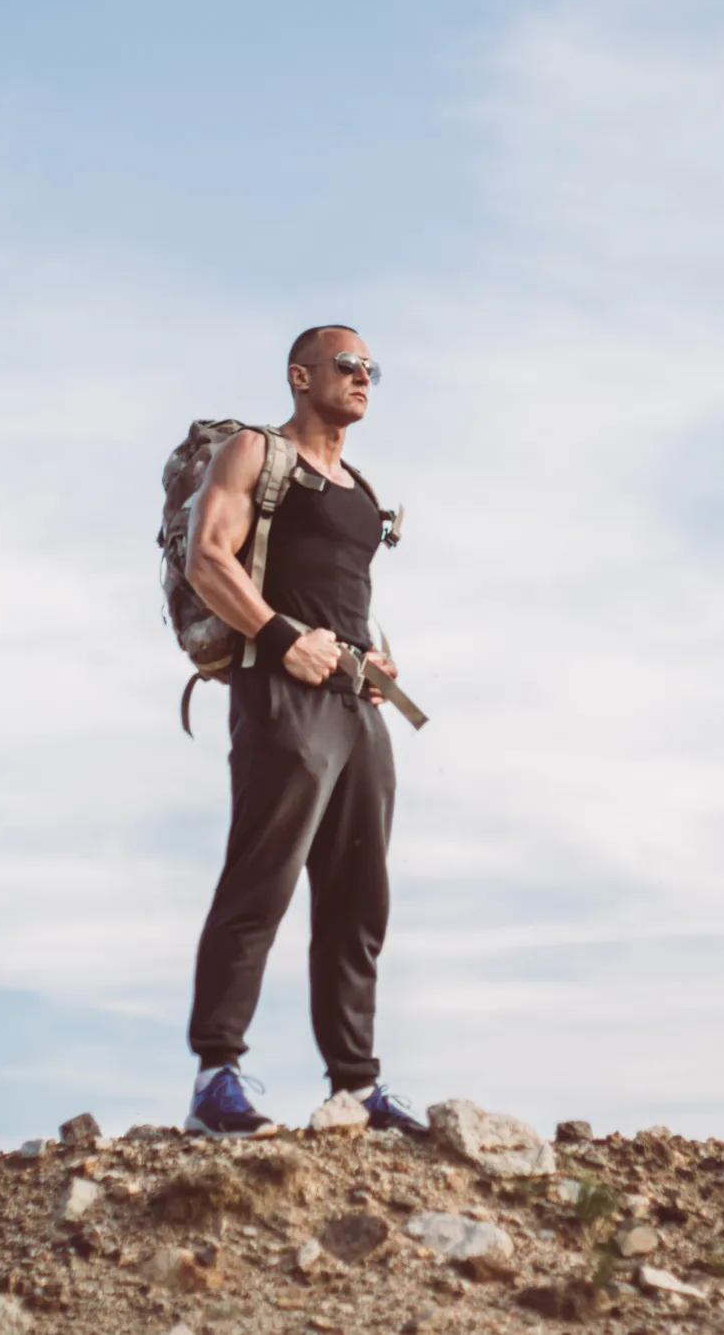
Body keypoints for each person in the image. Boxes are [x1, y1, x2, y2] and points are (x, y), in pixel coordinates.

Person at [178, 324, 425, 1137]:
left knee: (360, 898)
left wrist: (375, 653)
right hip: (280, 696)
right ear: (300, 374)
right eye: (348, 365)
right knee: (263, 877)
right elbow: (207, 556)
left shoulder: (358, 486)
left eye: (371, 369)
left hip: (359, 707)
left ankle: (355, 1085)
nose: (363, 378)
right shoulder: (254, 451)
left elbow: (339, 587)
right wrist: (284, 639)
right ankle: (217, 1076)